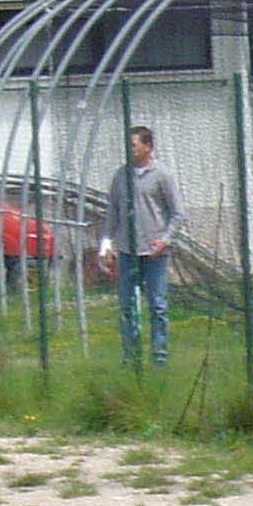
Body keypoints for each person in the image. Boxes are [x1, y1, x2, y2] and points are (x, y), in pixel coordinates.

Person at [98, 125, 185, 366]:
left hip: (154, 252)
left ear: (148, 147)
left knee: (157, 306)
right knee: (127, 306)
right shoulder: (121, 176)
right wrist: (106, 245)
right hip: (128, 252)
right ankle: (131, 355)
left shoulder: (162, 175)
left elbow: (177, 213)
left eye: (134, 144)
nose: (130, 149)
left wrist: (164, 240)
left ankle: (159, 357)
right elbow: (112, 213)